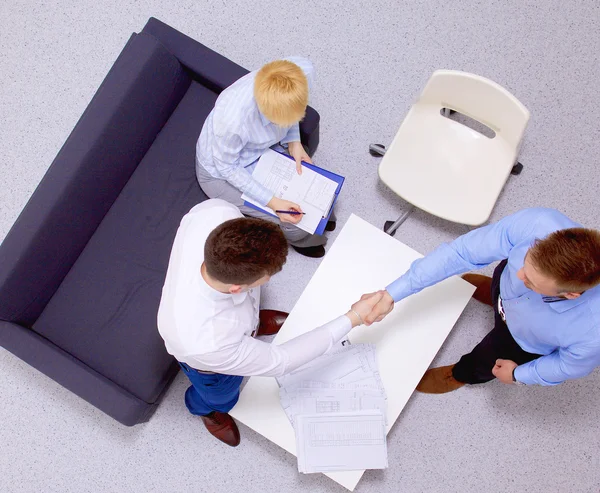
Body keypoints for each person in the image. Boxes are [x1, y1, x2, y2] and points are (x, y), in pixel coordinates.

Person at [157, 199, 382, 446]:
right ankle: (205, 409)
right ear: (236, 288)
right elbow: (281, 361)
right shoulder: (208, 343)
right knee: (222, 397)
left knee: (247, 318)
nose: (266, 281)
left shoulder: (217, 212)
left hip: (232, 329)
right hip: (210, 367)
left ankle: (251, 329)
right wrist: (354, 318)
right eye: (264, 279)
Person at [361, 208, 600, 392]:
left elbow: (564, 366)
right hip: (503, 289)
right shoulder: (538, 223)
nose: (519, 275)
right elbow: (461, 253)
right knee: (501, 278)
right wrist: (391, 294)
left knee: (485, 359)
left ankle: (460, 375)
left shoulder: (591, 334)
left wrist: (519, 375)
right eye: (525, 261)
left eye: (531, 282)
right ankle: (493, 294)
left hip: (519, 341)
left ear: (570, 294)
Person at [195, 57, 334, 259]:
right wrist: (273, 202)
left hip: (261, 148)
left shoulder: (300, 71)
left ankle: (322, 219)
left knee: (316, 188)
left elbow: (291, 114)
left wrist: (294, 142)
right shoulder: (232, 122)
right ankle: (303, 240)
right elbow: (227, 168)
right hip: (222, 171)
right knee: (296, 223)